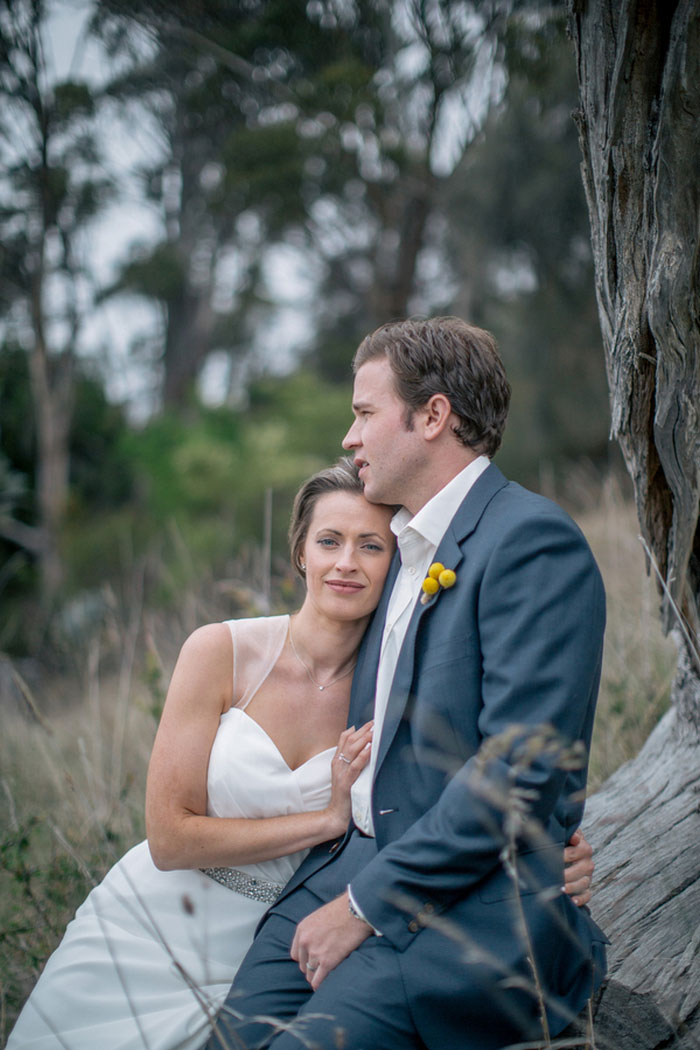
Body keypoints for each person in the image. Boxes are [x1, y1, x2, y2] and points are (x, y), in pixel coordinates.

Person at [9, 457, 593, 1050]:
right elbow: (168, 838)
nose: (346, 562)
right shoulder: (218, 651)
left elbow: (461, 793)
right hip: (151, 925)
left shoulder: (393, 688)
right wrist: (324, 820)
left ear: (398, 565)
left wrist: (547, 855)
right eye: (329, 541)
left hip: (282, 943)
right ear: (300, 552)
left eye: (371, 546)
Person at [206, 316, 608, 1050]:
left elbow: (522, 769)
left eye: (363, 413)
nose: (348, 437)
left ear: (433, 416)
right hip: (345, 867)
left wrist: (367, 905)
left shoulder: (530, 541)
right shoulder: (398, 548)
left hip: (467, 912)